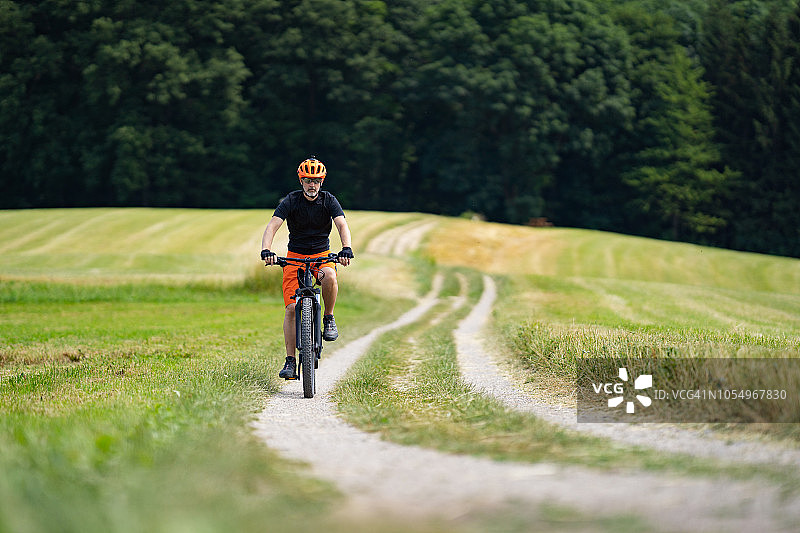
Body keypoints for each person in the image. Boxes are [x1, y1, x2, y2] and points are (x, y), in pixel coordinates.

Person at [260, 156, 354, 379]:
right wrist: (267, 250)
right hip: (295, 257)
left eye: (316, 181)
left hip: (321, 256)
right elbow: (273, 225)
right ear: (301, 181)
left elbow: (341, 223)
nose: (312, 185)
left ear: (321, 182)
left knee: (329, 276)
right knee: (292, 309)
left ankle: (328, 318)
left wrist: (346, 248)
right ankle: (291, 361)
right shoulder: (291, 201)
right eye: (307, 180)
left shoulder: (329, 200)